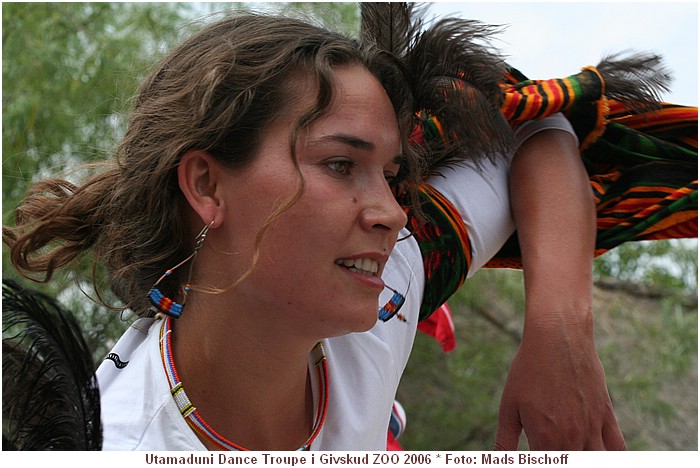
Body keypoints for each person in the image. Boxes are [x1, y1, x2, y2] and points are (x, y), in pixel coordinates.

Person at [6, 7, 694, 451]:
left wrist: (559, 335)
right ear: (208, 186)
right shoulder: (121, 442)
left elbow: (535, 131)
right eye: (342, 164)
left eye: (393, 175)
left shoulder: (385, 293)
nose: (393, 212)